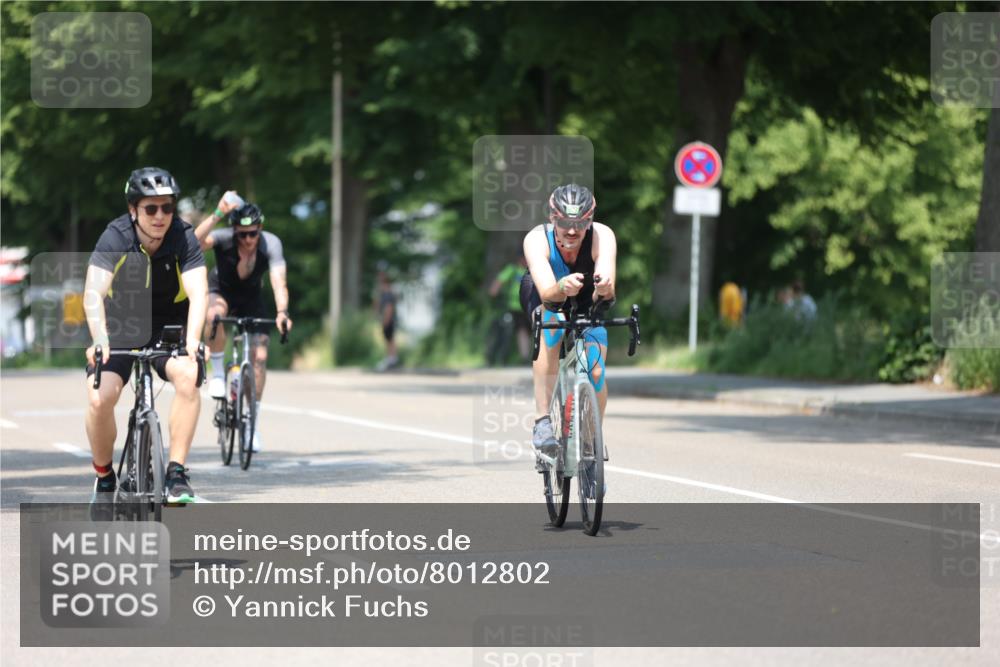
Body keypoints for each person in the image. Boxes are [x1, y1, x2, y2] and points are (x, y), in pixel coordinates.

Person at [84, 167, 207, 511]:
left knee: (189, 375)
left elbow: (199, 294)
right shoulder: (115, 236)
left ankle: (177, 473)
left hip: (168, 324)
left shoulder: (183, 236)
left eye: (167, 208)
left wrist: (194, 341)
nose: (160, 216)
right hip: (120, 325)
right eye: (150, 208)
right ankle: (105, 477)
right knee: (98, 398)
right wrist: (99, 337)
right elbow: (93, 292)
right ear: (133, 210)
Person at [520, 184, 616, 456]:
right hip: (546, 291)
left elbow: (607, 292)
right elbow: (549, 292)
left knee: (596, 371)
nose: (572, 230)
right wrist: (561, 288)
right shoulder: (536, 239)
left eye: (580, 223)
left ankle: (590, 442)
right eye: (564, 222)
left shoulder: (602, 236)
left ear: (590, 220)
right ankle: (542, 421)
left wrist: (603, 287)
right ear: (552, 217)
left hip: (586, 295)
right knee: (552, 327)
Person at [194, 197, 292, 453]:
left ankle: (252, 425)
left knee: (259, 356)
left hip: (250, 298)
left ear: (260, 228)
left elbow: (279, 282)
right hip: (221, 291)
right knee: (213, 314)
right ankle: (217, 372)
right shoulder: (223, 237)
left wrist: (282, 312)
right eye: (242, 235)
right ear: (235, 231)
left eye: (253, 233)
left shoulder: (271, 243)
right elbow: (192, 243)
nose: (248, 240)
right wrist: (217, 213)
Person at [488, 256, 531, 364]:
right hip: (513, 306)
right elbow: (500, 280)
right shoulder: (513, 269)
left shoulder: (533, 269)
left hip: (528, 305)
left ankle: (529, 357)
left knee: (527, 331)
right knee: (514, 331)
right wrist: (494, 291)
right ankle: (521, 357)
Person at [374, 265, 399, 371]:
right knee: (389, 339)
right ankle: (391, 358)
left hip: (388, 320)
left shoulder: (388, 294)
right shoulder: (386, 293)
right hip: (389, 320)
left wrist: (385, 322)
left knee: (389, 339)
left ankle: (392, 359)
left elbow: (389, 309)